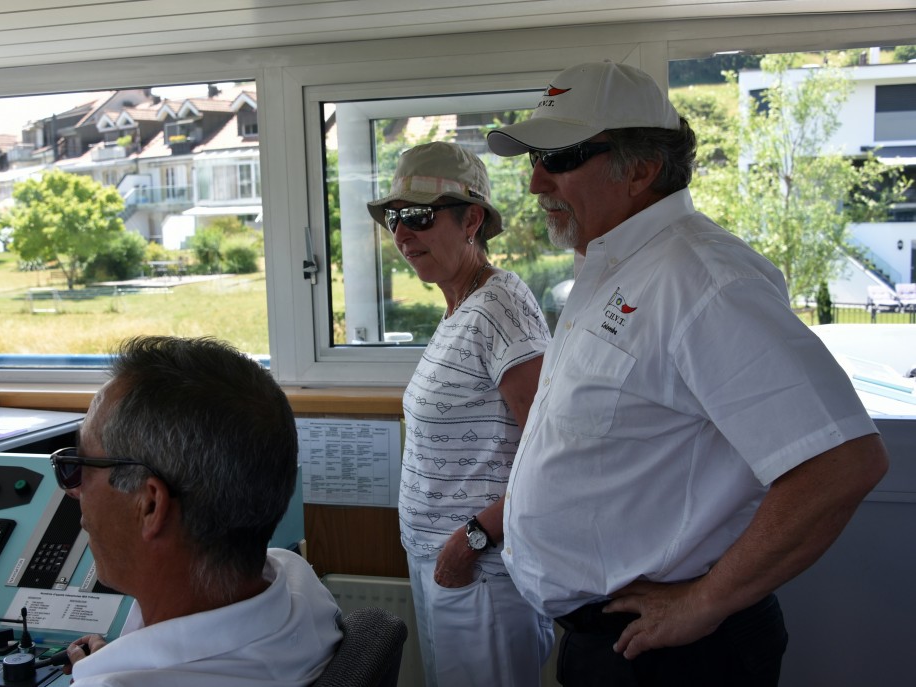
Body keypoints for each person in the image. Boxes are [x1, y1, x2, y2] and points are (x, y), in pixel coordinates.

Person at [487, 61, 890, 686]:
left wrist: (705, 601)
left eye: (559, 157)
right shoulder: (614, 267)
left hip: (678, 655)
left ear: (641, 168)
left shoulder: (703, 279)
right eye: (536, 158)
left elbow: (842, 462)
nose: (536, 180)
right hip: (609, 641)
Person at [366, 141, 554, 686]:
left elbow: (553, 455)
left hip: (481, 572)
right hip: (446, 564)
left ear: (471, 220)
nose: (403, 234)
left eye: (419, 216)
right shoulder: (461, 308)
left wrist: (470, 540)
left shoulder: (500, 307)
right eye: (395, 219)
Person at [54, 336, 341, 686]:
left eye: (81, 466)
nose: (73, 489)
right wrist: (114, 662)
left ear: (150, 505)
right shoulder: (300, 584)